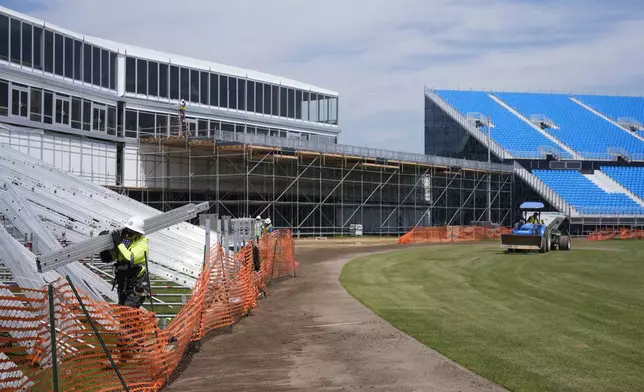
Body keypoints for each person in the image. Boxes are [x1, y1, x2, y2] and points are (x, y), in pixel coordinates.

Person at [99, 216, 151, 309]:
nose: (127, 235)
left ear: (138, 233)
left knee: (129, 311)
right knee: (123, 311)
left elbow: (129, 257)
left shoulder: (142, 245)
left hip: (135, 287)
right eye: (126, 231)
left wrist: (119, 243)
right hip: (124, 284)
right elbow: (116, 258)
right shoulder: (129, 242)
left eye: (130, 233)